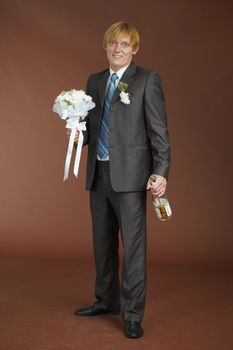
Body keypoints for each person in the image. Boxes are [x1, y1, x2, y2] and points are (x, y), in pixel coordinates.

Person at [67, 21, 171, 338]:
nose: (117, 49)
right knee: (102, 244)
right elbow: (92, 127)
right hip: (98, 175)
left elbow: (159, 132)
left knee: (134, 249)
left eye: (124, 44)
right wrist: (75, 131)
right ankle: (106, 300)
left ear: (134, 49)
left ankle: (132, 314)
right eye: (113, 43)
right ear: (105, 46)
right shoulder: (95, 81)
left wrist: (161, 171)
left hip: (132, 178)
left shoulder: (147, 80)